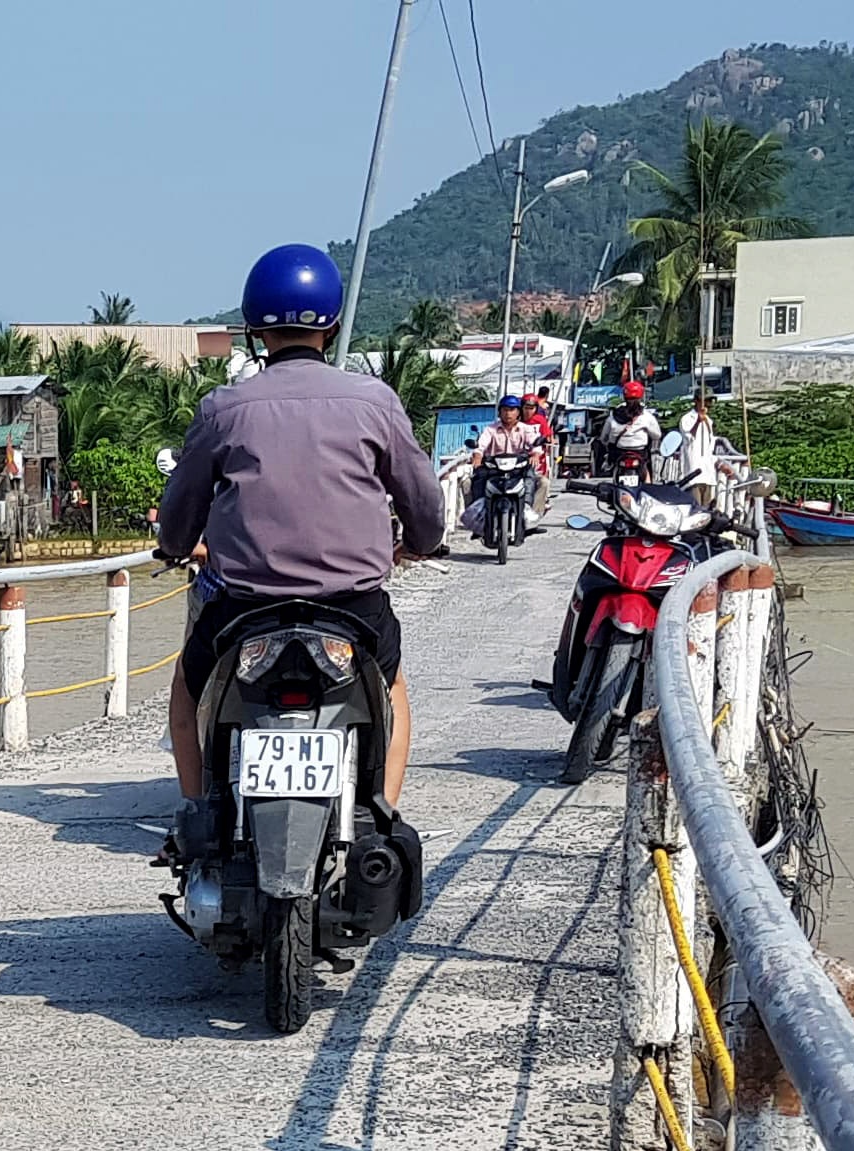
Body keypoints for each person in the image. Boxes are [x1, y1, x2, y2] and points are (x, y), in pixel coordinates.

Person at [153, 244, 449, 829]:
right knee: (391, 690)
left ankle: (196, 816)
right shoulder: (374, 402)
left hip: (242, 610)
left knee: (186, 697)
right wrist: (420, 540)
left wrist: (175, 544)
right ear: (333, 324)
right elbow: (424, 503)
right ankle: (382, 813)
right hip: (353, 610)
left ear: (253, 330)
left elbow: (180, 512)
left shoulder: (224, 407)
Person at [469, 393, 555, 541]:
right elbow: (481, 445)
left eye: (512, 410)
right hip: (493, 469)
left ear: (518, 412)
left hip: (518, 469)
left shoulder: (525, 429)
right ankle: (479, 519)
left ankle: (531, 518)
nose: (508, 413)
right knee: (469, 483)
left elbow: (534, 442)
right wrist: (477, 455)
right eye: (505, 410)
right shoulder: (491, 429)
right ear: (500, 412)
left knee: (543, 482)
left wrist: (535, 454)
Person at [600, 379, 664, 479]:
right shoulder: (646, 416)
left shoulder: (614, 415)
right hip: (640, 453)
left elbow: (604, 437)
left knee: (615, 469)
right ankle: (647, 488)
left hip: (619, 453)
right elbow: (657, 435)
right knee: (646, 470)